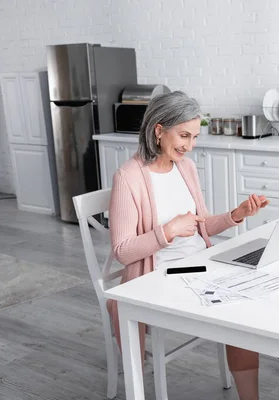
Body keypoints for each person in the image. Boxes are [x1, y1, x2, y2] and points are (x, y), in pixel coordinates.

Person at [107, 91, 267, 400]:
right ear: (158, 130)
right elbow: (122, 250)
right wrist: (166, 232)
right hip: (158, 277)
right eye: (184, 136)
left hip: (201, 264)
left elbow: (202, 223)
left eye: (194, 137)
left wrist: (237, 214)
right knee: (241, 311)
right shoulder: (128, 177)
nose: (190, 146)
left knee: (252, 298)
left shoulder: (186, 168)